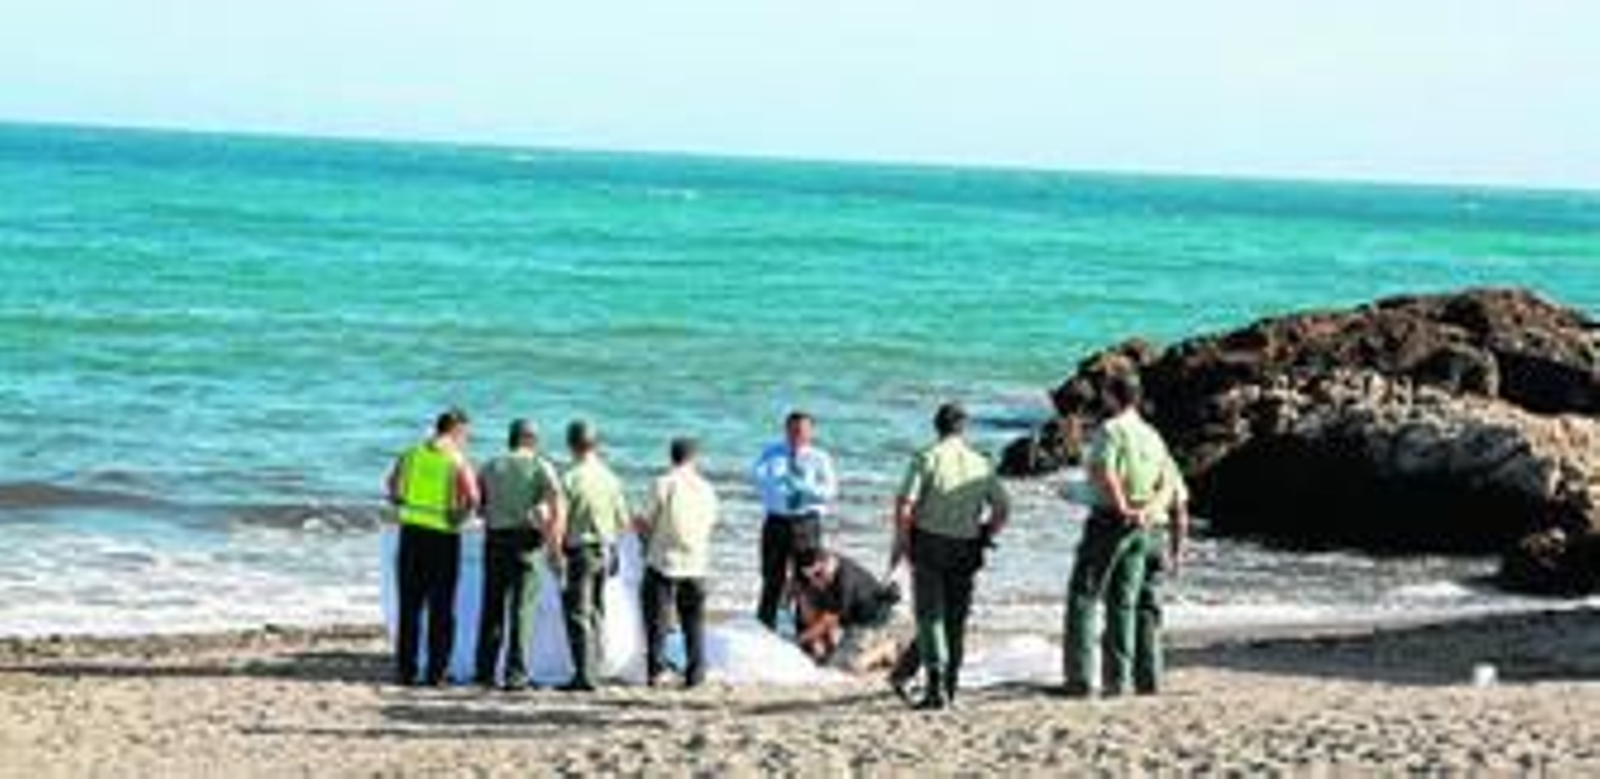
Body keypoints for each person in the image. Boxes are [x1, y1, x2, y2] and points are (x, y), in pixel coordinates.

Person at [1062, 372, 1183, 698]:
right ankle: (1120, 680)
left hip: (1110, 520)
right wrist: (1146, 511)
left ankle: (1080, 680)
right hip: (1145, 522)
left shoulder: (1111, 430)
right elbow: (1167, 483)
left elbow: (1105, 472)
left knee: (1083, 598)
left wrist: (1122, 507)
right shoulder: (1152, 435)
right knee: (1124, 603)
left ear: (1113, 397)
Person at [894, 402, 1010, 710]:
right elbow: (1003, 508)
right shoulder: (980, 463)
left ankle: (934, 686)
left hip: (930, 542)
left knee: (930, 615)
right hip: (967, 544)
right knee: (956, 618)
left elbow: (905, 505)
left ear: (937, 426)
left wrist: (903, 542)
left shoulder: (927, 457)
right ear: (963, 428)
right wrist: (986, 532)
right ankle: (951, 686)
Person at [387, 408, 479, 686]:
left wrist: (402, 504)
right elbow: (473, 497)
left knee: (410, 606)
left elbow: (392, 487)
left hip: (411, 534)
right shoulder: (456, 460)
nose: (467, 439)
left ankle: (406, 671)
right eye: (466, 434)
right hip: (442, 537)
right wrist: (460, 517)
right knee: (441, 608)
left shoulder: (411, 453)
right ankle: (436, 673)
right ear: (456, 430)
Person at [473, 418, 564, 690]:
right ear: (532, 440)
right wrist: (555, 547)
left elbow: (479, 507)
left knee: (492, 607)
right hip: (526, 541)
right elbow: (557, 507)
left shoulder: (490, 465)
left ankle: (485, 671)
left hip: (495, 539)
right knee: (522, 610)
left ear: (510, 438)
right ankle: (516, 674)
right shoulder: (540, 465)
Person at [635, 437, 719, 688]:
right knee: (694, 622)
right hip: (697, 562)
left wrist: (643, 540)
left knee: (657, 622)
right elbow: (712, 522)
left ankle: (657, 671)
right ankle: (696, 672)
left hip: (664, 561)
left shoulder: (663, 483)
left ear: (671, 456)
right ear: (694, 458)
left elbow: (645, 520)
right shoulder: (707, 488)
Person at [557, 419, 630, 692]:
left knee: (578, 614)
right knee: (598, 611)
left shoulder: (569, 478)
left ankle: (584, 676)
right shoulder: (611, 478)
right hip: (606, 550)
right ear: (596, 444)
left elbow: (560, 521)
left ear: (570, 444)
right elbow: (624, 522)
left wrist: (554, 551)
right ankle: (595, 669)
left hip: (580, 550)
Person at [750, 410, 838, 631]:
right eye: (792, 429)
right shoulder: (771, 453)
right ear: (785, 429)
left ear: (811, 432)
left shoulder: (820, 457)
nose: (796, 434)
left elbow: (830, 492)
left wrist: (804, 488)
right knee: (771, 578)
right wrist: (779, 487)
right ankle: (764, 628)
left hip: (806, 523)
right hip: (776, 521)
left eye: (801, 430)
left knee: (807, 581)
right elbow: (758, 481)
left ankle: (805, 632)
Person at [1127, 449, 1189, 696]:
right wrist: (1177, 553)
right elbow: (1181, 513)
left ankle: (1120, 675)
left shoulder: (1133, 459)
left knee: (1121, 606)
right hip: (1158, 535)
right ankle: (1149, 678)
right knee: (1150, 609)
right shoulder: (1167, 463)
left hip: (1130, 530)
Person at [792, 547, 909, 675]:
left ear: (827, 563)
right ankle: (839, 649)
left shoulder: (845, 580)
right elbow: (807, 597)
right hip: (853, 622)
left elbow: (828, 621)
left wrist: (799, 641)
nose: (815, 581)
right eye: (810, 577)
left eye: (818, 574)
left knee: (845, 666)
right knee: (808, 596)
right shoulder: (825, 573)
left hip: (871, 621)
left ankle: (886, 648)